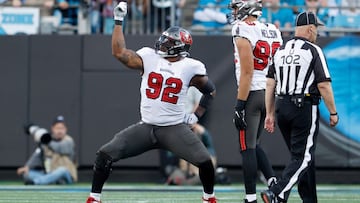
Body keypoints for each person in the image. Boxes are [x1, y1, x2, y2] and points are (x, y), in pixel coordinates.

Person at [86, 2, 217, 203]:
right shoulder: (149, 56)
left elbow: (210, 91)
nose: (161, 44)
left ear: (178, 47)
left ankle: (209, 198)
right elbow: (119, 53)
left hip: (174, 129)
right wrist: (118, 21)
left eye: (167, 42)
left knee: (205, 162)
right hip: (146, 127)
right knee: (105, 154)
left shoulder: (192, 67)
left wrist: (197, 114)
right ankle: (94, 198)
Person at [261, 11, 339, 203]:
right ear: (311, 29)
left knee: (303, 157)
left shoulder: (280, 50)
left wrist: (270, 113)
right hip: (303, 107)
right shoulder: (313, 50)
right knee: (303, 158)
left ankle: (309, 199)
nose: (317, 34)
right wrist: (333, 112)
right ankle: (277, 193)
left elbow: (270, 83)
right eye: (316, 29)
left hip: (282, 107)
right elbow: (323, 84)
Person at [228, 0, 283, 202]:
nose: (234, 12)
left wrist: (240, 104)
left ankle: (250, 198)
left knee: (247, 147)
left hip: (252, 93)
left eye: (235, 7)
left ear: (245, 7)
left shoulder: (241, 28)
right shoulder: (272, 29)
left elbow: (248, 71)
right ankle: (273, 184)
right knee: (254, 144)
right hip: (271, 92)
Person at [17, 116, 77, 185]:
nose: (60, 131)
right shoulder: (47, 141)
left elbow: (58, 148)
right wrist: (27, 167)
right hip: (50, 173)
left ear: (66, 129)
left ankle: (36, 182)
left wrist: (42, 136)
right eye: (57, 128)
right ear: (52, 129)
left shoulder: (69, 140)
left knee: (62, 170)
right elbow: (37, 155)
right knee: (27, 174)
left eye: (62, 128)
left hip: (66, 175)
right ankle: (52, 181)